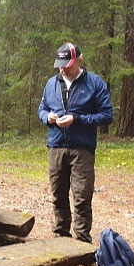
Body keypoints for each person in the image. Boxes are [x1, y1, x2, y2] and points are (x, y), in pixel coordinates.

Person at [38, 43, 113, 243]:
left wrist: (77, 119)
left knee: (81, 196)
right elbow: (41, 109)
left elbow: (106, 116)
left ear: (80, 60)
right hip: (56, 146)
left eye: (68, 65)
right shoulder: (51, 83)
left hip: (82, 148)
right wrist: (48, 118)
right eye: (60, 65)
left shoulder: (95, 84)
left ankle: (81, 241)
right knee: (58, 194)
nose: (63, 69)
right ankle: (61, 236)